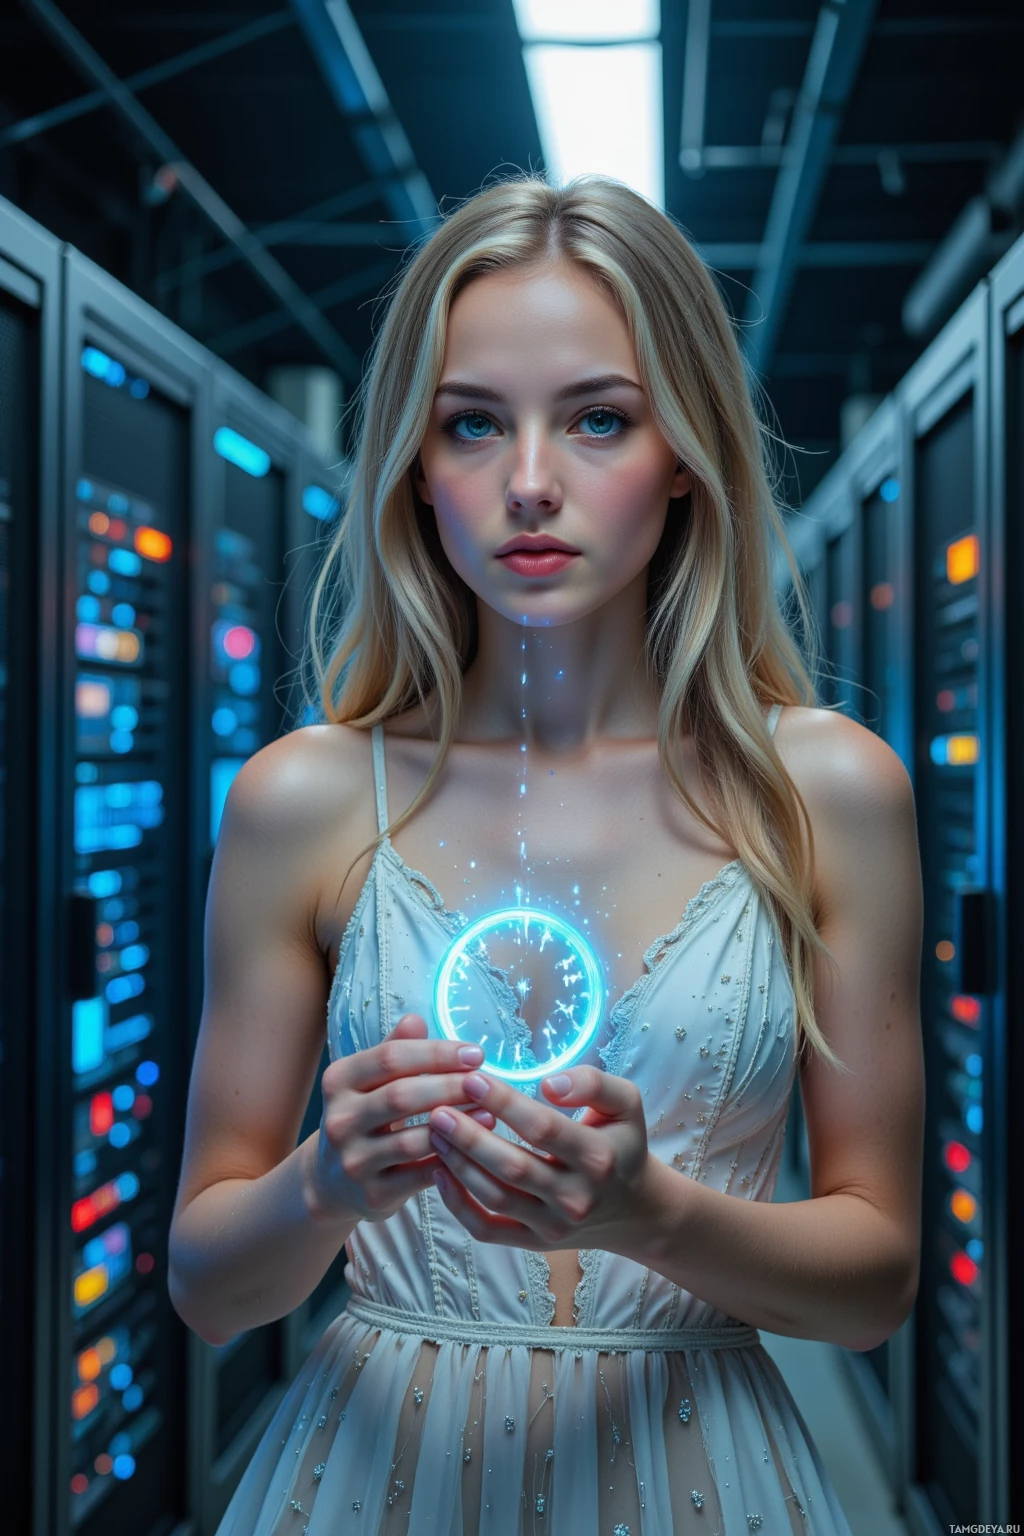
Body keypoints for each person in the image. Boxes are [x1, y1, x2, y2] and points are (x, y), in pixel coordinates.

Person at [168, 175, 924, 1535]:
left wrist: (651, 1216)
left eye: (596, 418)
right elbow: (211, 1291)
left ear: (685, 449)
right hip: (366, 1477)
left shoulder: (828, 791)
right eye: (471, 423)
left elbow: (875, 1285)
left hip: (705, 1470)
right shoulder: (309, 798)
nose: (528, 481)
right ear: (413, 457)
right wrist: (323, 1182)